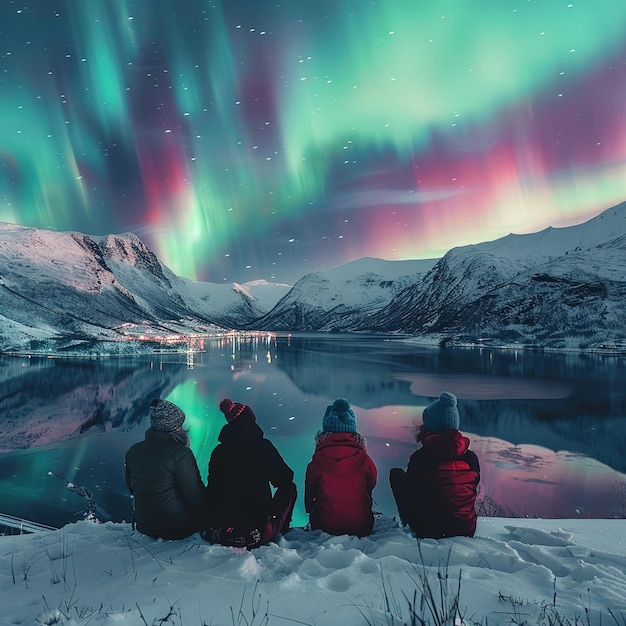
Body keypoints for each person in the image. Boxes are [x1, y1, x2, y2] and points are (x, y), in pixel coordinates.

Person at [202, 398, 297, 549]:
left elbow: (213, 487)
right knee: (289, 487)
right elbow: (285, 478)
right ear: (250, 419)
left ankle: (222, 530)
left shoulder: (218, 452)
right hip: (257, 524)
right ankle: (277, 529)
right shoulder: (263, 447)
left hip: (222, 521)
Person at [389, 391, 480, 539]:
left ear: (430, 427)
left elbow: (411, 494)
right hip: (467, 528)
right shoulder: (471, 458)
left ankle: (407, 522)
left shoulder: (422, 458)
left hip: (432, 530)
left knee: (397, 475)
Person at [125, 398, 206, 540]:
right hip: (175, 527)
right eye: (179, 425)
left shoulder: (134, 450)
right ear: (172, 427)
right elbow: (196, 496)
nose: (181, 427)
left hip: (143, 524)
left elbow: (132, 487)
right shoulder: (180, 454)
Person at [305, 398, 378, 537]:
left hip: (325, 526)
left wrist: (310, 508)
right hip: (361, 526)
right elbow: (371, 484)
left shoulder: (317, 460)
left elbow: (310, 491)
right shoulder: (364, 459)